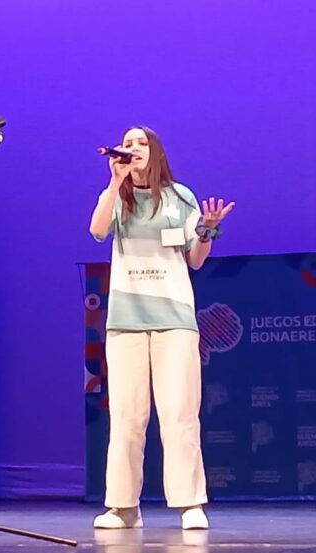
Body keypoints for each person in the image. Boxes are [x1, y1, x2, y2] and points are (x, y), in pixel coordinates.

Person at [88, 126, 235, 530]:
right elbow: (97, 231)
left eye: (141, 143)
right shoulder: (115, 196)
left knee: (179, 413)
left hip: (174, 321)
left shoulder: (180, 196)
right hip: (126, 321)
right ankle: (122, 507)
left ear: (156, 152)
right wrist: (114, 181)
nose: (133, 148)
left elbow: (196, 258)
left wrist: (207, 229)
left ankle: (190, 503)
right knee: (127, 417)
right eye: (127, 143)